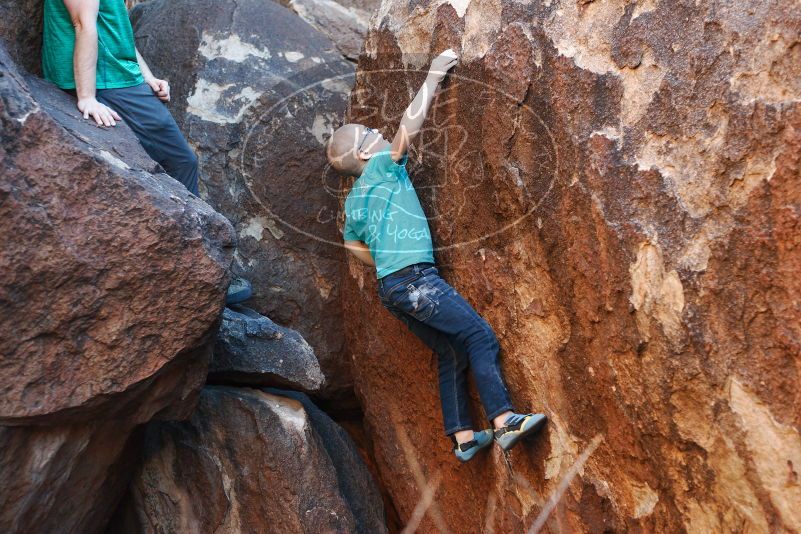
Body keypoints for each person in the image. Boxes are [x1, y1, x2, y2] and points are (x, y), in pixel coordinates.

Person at [327, 49, 547, 462]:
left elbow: (351, 243)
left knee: (451, 351)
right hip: (416, 280)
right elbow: (407, 130)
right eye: (370, 133)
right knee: (478, 336)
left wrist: (385, 263)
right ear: (362, 155)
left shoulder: (354, 202)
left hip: (391, 288)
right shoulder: (381, 168)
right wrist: (432, 78)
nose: (378, 132)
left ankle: (464, 437)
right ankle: (504, 423)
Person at [41, 0, 250, 304]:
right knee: (180, 161)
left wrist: (148, 77)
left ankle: (189, 264)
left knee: (168, 166)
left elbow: (116, 29)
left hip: (117, 75)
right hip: (107, 82)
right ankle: (197, 269)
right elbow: (83, 24)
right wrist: (86, 97)